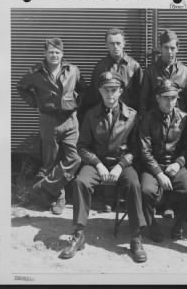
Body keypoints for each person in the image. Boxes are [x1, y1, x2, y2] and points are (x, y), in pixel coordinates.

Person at [59, 71, 147, 263]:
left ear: (121, 91)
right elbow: (81, 147)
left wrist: (120, 166)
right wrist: (98, 165)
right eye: (106, 90)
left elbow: (137, 149)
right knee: (81, 182)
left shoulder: (132, 115)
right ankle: (79, 234)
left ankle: (135, 237)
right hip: (97, 163)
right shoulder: (91, 115)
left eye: (114, 90)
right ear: (99, 91)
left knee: (134, 184)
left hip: (122, 164)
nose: (110, 95)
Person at [17, 37, 85, 215]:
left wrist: (75, 105)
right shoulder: (35, 72)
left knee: (75, 158)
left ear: (62, 54)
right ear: (44, 54)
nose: (54, 55)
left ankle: (43, 187)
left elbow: (83, 89)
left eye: (57, 52)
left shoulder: (73, 70)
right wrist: (36, 104)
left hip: (70, 120)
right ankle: (58, 198)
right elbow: (21, 87)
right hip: (48, 121)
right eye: (50, 52)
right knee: (50, 161)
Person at [84, 28, 143, 212]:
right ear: (106, 45)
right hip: (105, 116)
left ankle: (124, 197)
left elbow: (141, 96)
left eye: (118, 43)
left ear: (124, 43)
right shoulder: (101, 66)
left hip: (127, 120)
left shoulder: (134, 66)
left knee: (126, 155)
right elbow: (94, 94)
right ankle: (108, 198)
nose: (115, 47)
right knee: (105, 149)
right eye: (111, 43)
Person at [139, 79, 187, 242]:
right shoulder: (147, 118)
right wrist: (159, 173)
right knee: (146, 190)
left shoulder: (184, 118)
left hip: (176, 165)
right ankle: (151, 223)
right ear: (157, 98)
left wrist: (178, 163)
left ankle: (179, 224)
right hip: (154, 166)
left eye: (174, 98)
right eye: (166, 98)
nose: (170, 102)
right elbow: (144, 151)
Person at [139, 29, 187, 117]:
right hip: (156, 122)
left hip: (179, 123)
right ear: (160, 48)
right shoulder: (150, 71)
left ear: (177, 48)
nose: (169, 52)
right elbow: (143, 102)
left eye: (172, 48)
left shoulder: (185, 72)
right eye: (166, 47)